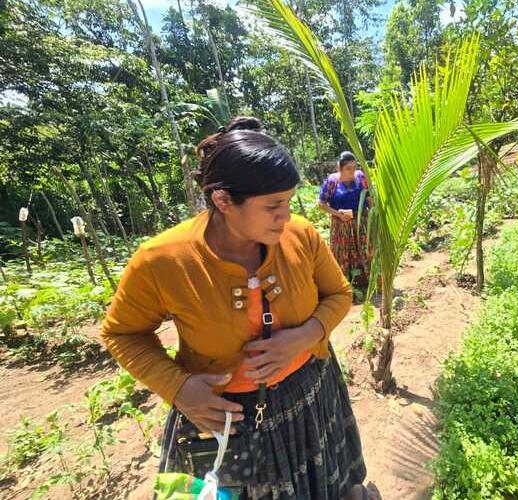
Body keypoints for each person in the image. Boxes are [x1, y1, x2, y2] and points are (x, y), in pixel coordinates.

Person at [101, 117, 379, 499]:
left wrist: (304, 336)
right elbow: (122, 333)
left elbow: (339, 294)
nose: (286, 215)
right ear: (223, 201)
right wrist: (179, 388)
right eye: (273, 206)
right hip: (222, 422)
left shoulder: (300, 235)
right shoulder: (161, 261)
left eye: (288, 200)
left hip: (312, 395)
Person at [318, 152, 371, 287]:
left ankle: (366, 283)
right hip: (340, 226)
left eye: (354, 167)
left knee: (364, 251)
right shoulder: (332, 182)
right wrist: (337, 213)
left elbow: (369, 199)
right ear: (339, 168)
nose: (352, 171)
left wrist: (372, 218)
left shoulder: (361, 177)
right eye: (348, 168)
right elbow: (321, 204)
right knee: (342, 254)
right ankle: (346, 285)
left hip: (360, 223)